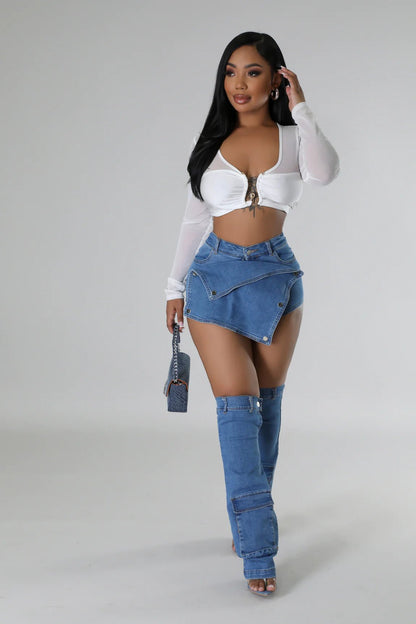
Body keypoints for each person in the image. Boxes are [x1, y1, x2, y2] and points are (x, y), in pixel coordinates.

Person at [164, 31, 340, 597]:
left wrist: (303, 107)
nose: (239, 84)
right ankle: (259, 549)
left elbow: (325, 173)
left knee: (267, 415)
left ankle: (246, 519)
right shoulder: (211, 143)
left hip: (277, 279)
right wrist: (173, 287)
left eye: (254, 72)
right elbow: (194, 221)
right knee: (238, 412)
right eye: (231, 72)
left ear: (276, 78)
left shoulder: (293, 138)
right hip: (212, 281)